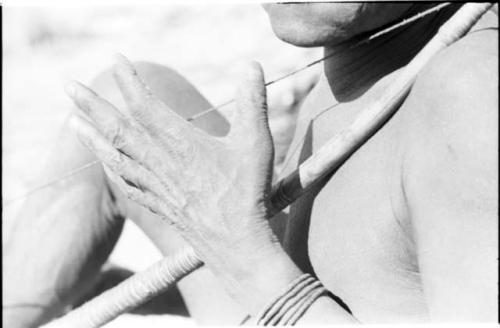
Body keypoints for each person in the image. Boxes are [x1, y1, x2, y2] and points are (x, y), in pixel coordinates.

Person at [3, 3, 498, 326]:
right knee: (124, 99)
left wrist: (238, 251)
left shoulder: (473, 90)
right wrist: (175, 283)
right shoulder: (365, 52)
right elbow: (374, 271)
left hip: (270, 294)